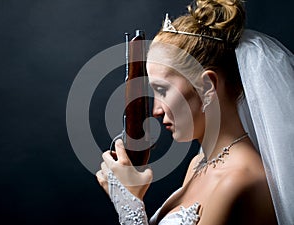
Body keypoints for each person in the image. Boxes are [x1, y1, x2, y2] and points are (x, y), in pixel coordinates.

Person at [96, 0, 294, 224]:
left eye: (162, 90)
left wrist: (129, 202)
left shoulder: (238, 181)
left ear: (208, 86)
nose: (156, 110)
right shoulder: (199, 163)